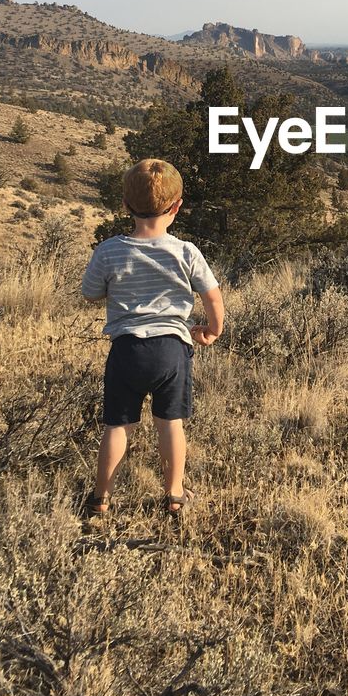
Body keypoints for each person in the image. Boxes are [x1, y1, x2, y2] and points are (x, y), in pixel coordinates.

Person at [80, 157, 224, 521]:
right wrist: (212, 329)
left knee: (118, 425)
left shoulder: (109, 250)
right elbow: (212, 297)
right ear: (177, 207)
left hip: (126, 349)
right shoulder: (186, 251)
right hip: (172, 350)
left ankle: (100, 499)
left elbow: (90, 292)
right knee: (170, 423)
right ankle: (174, 495)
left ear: (126, 205)